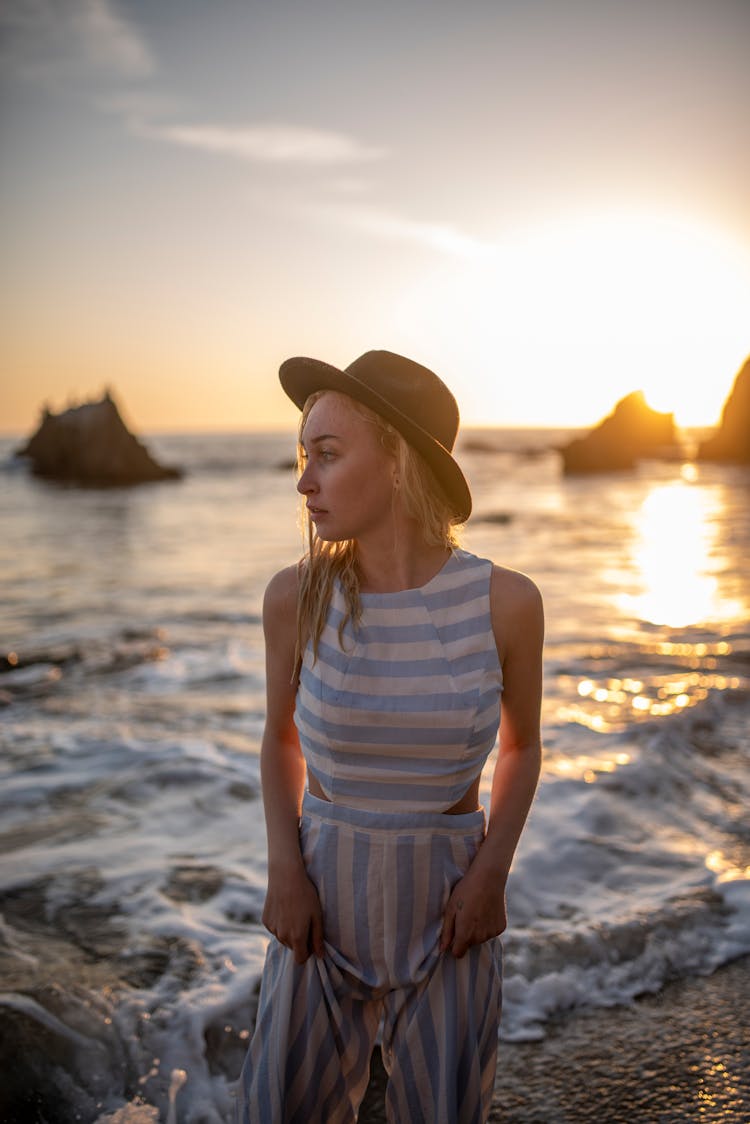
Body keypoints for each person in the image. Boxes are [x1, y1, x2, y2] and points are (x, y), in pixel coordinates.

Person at [234, 350, 543, 1123]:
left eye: (328, 456)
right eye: (304, 457)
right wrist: (285, 871)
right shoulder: (294, 597)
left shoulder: (505, 602)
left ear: (399, 461)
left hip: (449, 906)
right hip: (321, 895)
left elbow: (522, 748)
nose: (304, 480)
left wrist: (491, 877)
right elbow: (279, 741)